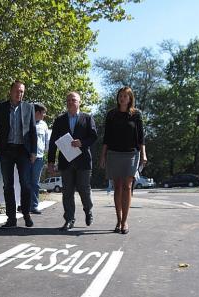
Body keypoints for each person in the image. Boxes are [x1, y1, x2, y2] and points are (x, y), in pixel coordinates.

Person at [0, 80, 37, 228]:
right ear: (10, 91)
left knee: (26, 184)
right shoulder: (1, 107)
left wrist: (34, 151)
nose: (19, 94)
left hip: (23, 151)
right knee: (8, 185)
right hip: (6, 150)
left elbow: (33, 131)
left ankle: (26, 213)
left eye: (22, 91)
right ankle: (11, 218)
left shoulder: (29, 108)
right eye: (17, 90)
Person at [99, 86, 147, 234]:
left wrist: (143, 154)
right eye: (121, 95)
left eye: (126, 96)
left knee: (127, 186)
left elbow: (141, 137)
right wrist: (103, 156)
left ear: (130, 98)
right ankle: (118, 220)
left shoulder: (136, 114)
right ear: (118, 97)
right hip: (113, 154)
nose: (123, 98)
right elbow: (106, 137)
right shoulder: (111, 115)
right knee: (117, 187)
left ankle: (125, 222)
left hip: (131, 154)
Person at [48, 92, 98, 231]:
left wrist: (82, 142)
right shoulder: (59, 120)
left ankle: (88, 210)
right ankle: (69, 219)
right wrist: (51, 161)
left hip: (83, 162)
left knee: (84, 190)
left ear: (79, 102)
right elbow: (53, 142)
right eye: (68, 100)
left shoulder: (87, 118)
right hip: (66, 162)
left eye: (73, 100)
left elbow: (94, 137)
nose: (70, 102)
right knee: (67, 192)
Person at [29, 103, 50, 214]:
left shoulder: (44, 125)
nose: (44, 115)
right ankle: (23, 204)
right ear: (37, 113)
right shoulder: (27, 121)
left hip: (39, 158)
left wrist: (45, 153)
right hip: (26, 157)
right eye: (43, 113)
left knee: (35, 182)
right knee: (25, 182)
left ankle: (34, 206)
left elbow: (46, 140)